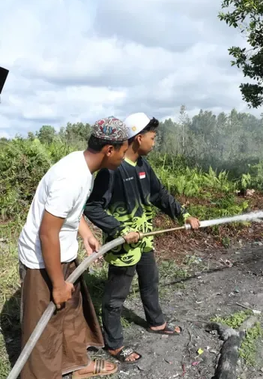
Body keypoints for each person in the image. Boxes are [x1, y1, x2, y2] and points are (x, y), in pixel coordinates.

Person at [18, 117, 131, 379]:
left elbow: (72, 211)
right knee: (43, 328)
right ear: (109, 150)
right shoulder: (71, 177)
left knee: (69, 315)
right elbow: (47, 233)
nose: (123, 158)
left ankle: (76, 366)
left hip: (63, 253)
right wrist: (57, 284)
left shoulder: (85, 167)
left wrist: (86, 233)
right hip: (42, 260)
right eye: (123, 152)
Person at [84, 112, 200, 363]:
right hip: (123, 244)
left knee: (150, 280)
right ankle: (114, 344)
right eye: (152, 137)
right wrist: (119, 230)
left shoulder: (144, 166)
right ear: (138, 139)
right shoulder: (111, 169)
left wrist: (184, 215)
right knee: (116, 296)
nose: (154, 142)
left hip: (145, 237)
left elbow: (160, 195)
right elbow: (92, 207)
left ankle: (156, 323)